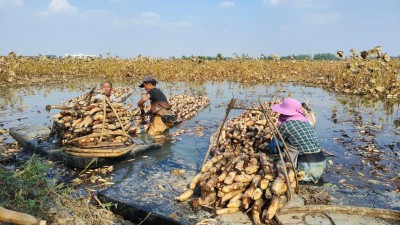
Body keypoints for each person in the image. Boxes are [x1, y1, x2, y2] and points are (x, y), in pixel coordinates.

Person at [270, 97, 326, 183]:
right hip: (321, 163)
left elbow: (274, 147)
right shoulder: (306, 122)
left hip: (305, 167)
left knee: (282, 146)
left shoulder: (286, 125)